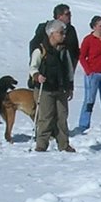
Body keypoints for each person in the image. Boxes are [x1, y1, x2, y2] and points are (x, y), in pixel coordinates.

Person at [30, 18, 77, 152]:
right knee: (46, 117)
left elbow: (69, 69)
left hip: (61, 88)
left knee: (62, 117)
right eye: (61, 33)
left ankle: (64, 144)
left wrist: (70, 86)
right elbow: (33, 66)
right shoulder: (40, 50)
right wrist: (37, 76)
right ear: (51, 34)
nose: (64, 36)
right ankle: (41, 145)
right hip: (45, 89)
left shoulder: (64, 50)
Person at [76, 15, 101, 132]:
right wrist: (88, 71)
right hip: (93, 74)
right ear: (94, 27)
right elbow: (82, 56)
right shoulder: (88, 40)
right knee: (89, 100)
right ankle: (83, 125)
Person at [28, 4, 80, 78]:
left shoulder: (71, 30)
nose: (70, 16)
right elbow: (34, 46)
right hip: (44, 74)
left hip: (63, 72)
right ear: (59, 16)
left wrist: (71, 71)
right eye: (67, 14)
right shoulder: (44, 28)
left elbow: (75, 51)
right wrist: (36, 72)